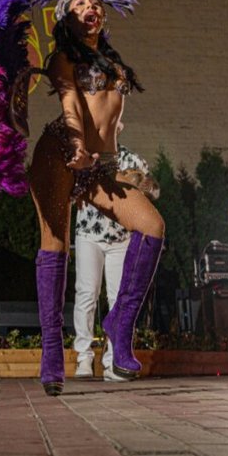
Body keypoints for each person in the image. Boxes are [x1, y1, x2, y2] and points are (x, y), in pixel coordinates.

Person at [0, 0, 166, 396]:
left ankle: (119, 326)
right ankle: (53, 354)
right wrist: (76, 143)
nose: (90, 7)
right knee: (55, 244)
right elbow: (72, 104)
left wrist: (112, 163)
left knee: (152, 227)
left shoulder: (111, 61)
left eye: (95, 3)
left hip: (99, 165)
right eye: (79, 3)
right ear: (65, 17)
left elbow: (108, 122)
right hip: (59, 151)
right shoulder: (62, 58)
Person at [72, 145, 159, 380]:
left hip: (121, 237)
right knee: (86, 294)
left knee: (118, 297)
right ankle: (83, 357)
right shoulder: (87, 154)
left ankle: (113, 359)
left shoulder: (132, 158)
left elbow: (153, 191)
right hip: (88, 234)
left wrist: (146, 187)